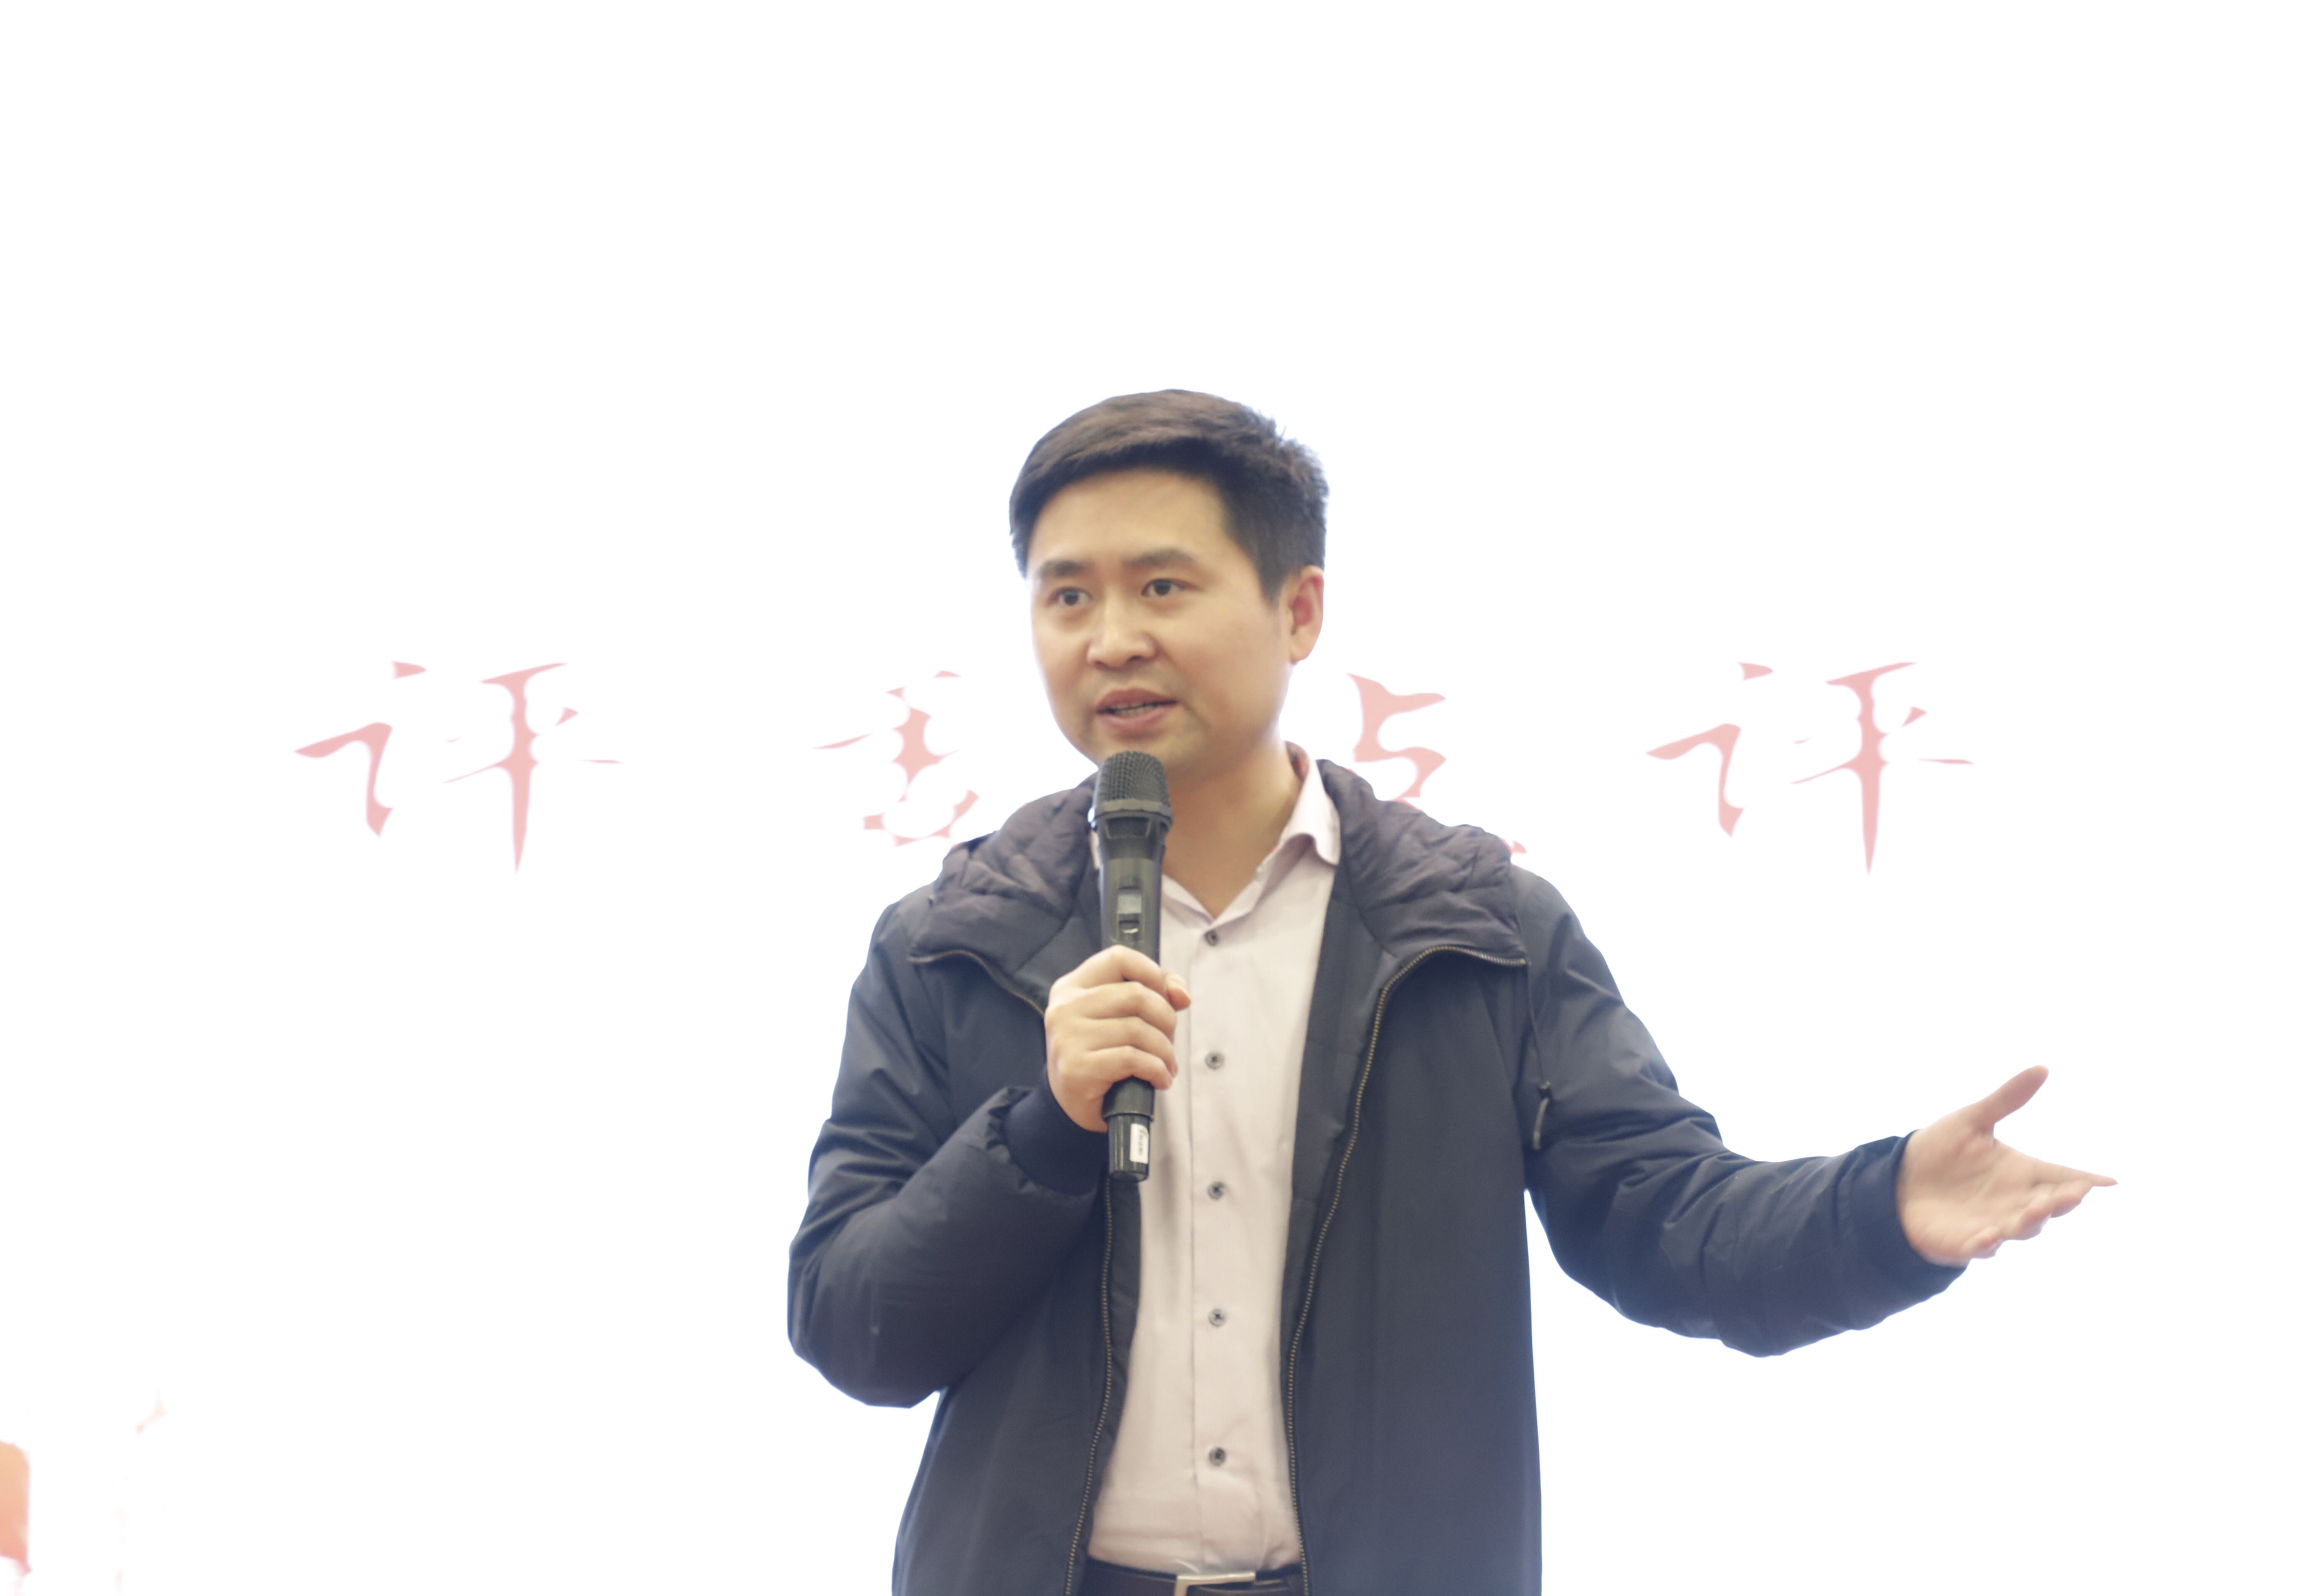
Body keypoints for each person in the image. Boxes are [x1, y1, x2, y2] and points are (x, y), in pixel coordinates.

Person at [787, 391, 2111, 1596]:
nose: (1112, 639)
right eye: (1067, 597)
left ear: (1299, 611)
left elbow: (1666, 1218)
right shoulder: (951, 943)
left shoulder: (1476, 933)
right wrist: (1042, 1133)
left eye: (1164, 586)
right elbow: (854, 1325)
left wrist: (1881, 1211)